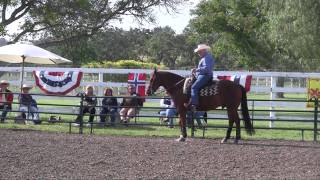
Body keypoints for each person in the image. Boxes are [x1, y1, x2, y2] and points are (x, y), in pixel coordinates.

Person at [184, 44, 215, 111]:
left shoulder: (206, 58)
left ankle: (194, 105)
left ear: (203, 50)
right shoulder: (205, 58)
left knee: (194, 87)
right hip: (203, 75)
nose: (198, 53)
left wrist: (196, 70)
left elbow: (207, 68)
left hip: (205, 75)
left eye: (199, 51)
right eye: (198, 52)